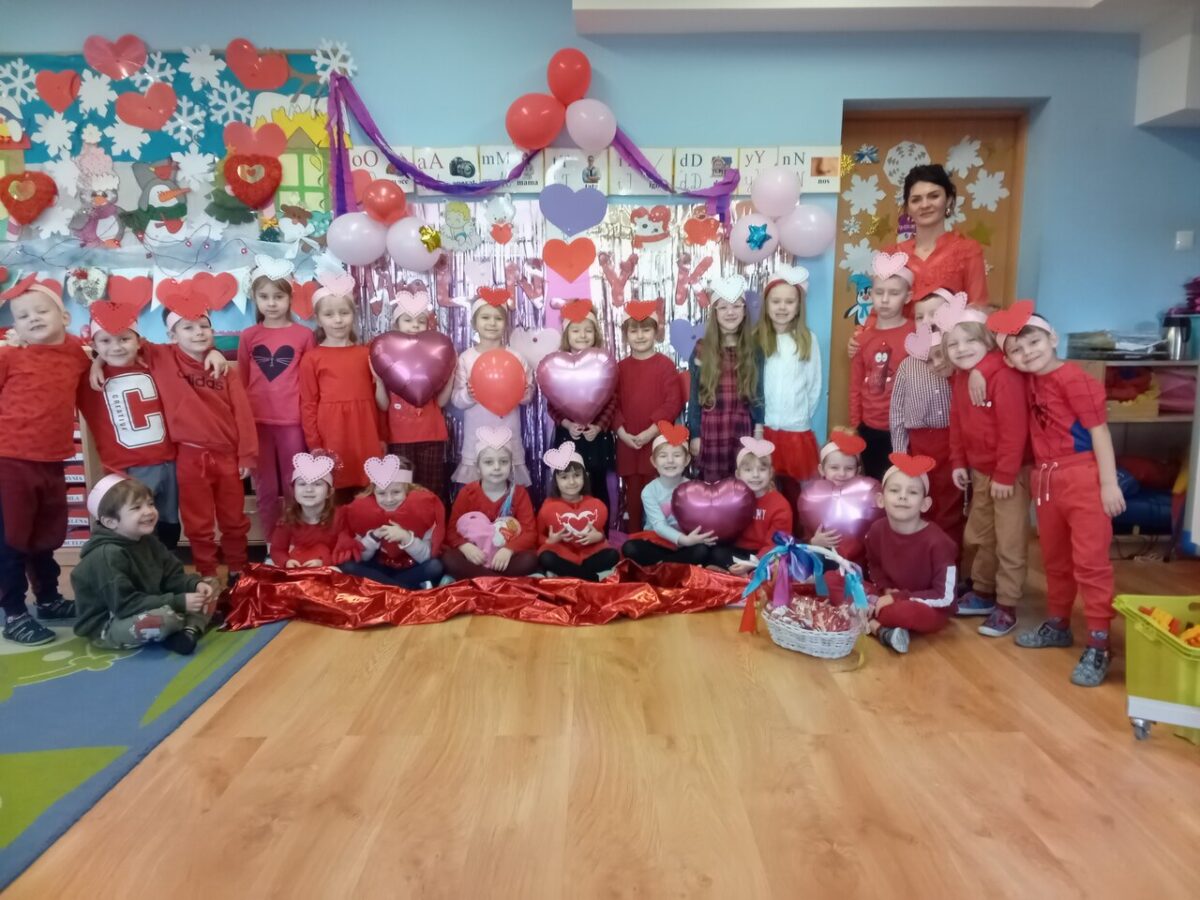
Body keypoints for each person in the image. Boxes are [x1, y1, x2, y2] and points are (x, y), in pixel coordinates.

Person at [994, 303, 1125, 687]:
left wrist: (1108, 483)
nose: (1027, 353)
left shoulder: (1075, 379)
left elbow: (1099, 431)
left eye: (1033, 342)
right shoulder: (1027, 381)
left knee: (1090, 562)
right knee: (1055, 559)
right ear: (1010, 360)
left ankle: (1099, 642)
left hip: (1082, 478)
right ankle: (1058, 623)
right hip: (1047, 481)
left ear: (1052, 338)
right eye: (1017, 350)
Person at [133, 309, 257, 585]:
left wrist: (247, 455)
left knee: (233, 518)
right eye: (188, 328)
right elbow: (125, 341)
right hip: (189, 456)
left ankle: (238, 568)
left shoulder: (224, 370)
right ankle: (207, 572)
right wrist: (96, 361)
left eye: (203, 326)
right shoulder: (162, 357)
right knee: (197, 521)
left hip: (226, 455)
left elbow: (243, 414)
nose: (198, 332)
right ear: (172, 335)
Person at [0, 280, 92, 645]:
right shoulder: (9, 355)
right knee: (11, 539)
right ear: (14, 327)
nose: (33, 319)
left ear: (65, 317)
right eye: (23, 316)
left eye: (41, 311)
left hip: (53, 459)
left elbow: (104, 356)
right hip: (10, 461)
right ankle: (13, 612)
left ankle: (49, 598)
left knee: (46, 535)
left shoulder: (75, 353)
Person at [941, 300, 1030, 638]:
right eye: (953, 343)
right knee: (980, 534)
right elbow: (957, 424)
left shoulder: (1003, 377)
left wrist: (1005, 475)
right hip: (980, 472)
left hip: (1009, 475)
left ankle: (1007, 604)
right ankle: (983, 590)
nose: (961, 349)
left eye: (970, 340)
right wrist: (958, 461)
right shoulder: (962, 378)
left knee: (1009, 540)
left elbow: (1014, 430)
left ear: (988, 342)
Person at [72, 474, 217, 655]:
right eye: (136, 507)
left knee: (210, 585)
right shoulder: (106, 555)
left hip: (151, 603)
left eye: (150, 504)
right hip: (111, 622)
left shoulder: (148, 541)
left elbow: (172, 576)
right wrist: (178, 602)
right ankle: (188, 624)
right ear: (111, 522)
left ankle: (188, 631)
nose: (149, 511)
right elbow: (125, 605)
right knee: (164, 620)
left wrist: (193, 585)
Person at [76, 308, 181, 549]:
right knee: (132, 529)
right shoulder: (89, 379)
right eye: (106, 341)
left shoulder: (153, 364)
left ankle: (166, 565)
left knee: (168, 524)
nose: (116, 347)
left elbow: (180, 348)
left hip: (168, 461)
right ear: (94, 344)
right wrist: (97, 361)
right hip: (126, 467)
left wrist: (215, 351)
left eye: (124, 339)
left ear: (138, 341)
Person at [840, 453, 958, 654]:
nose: (903, 496)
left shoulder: (938, 542)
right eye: (895, 490)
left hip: (920, 604)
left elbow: (946, 597)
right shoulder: (876, 530)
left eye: (912, 492)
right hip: (886, 595)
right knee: (835, 579)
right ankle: (880, 628)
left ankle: (866, 619)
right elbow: (874, 564)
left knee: (902, 613)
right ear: (880, 499)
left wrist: (899, 598)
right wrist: (885, 589)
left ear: (925, 504)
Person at [238, 266, 315, 540]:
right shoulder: (249, 336)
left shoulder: (304, 335)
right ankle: (273, 543)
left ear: (289, 298)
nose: (271, 303)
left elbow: (310, 381)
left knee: (296, 483)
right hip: (257, 424)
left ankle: (298, 540)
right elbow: (242, 380)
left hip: (292, 422)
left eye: (278, 296)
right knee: (266, 488)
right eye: (264, 296)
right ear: (255, 298)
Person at [888, 289, 964, 550]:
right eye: (920, 316)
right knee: (920, 499)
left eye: (935, 314)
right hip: (918, 444)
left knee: (951, 503)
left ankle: (948, 559)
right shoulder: (908, 366)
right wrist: (900, 453)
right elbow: (897, 413)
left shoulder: (960, 362)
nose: (927, 320)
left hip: (952, 443)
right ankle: (919, 556)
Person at [299, 275, 383, 499]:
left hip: (365, 431)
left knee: (368, 488)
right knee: (336, 489)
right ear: (318, 319)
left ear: (353, 315)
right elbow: (308, 404)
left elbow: (379, 399)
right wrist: (314, 444)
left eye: (344, 313)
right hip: (332, 432)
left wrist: (382, 436)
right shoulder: (312, 359)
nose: (338, 320)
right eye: (329, 314)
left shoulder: (366, 354)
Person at [613, 300, 684, 533]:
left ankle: (660, 539)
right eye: (634, 331)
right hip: (628, 443)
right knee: (633, 499)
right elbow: (612, 404)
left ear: (656, 332)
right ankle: (634, 540)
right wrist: (622, 433)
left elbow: (672, 403)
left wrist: (652, 432)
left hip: (657, 443)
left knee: (660, 499)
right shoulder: (619, 368)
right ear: (626, 335)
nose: (640, 336)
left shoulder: (665, 366)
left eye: (646, 329)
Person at [756, 268, 822, 510]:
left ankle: (798, 530)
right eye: (776, 301)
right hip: (765, 428)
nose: (782, 307)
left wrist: (800, 414)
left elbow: (814, 384)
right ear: (766, 305)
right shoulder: (757, 338)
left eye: (789, 302)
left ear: (798, 306)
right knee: (766, 487)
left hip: (796, 430)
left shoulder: (808, 339)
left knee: (799, 491)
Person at [452, 295, 534, 486]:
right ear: (474, 323)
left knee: (508, 490)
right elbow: (456, 399)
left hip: (508, 434)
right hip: (476, 436)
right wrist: (468, 395)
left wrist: (524, 394)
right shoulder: (466, 358)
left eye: (498, 318)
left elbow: (528, 395)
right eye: (485, 317)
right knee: (478, 492)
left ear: (505, 323)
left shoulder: (516, 357)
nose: (492, 323)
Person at [546, 300, 616, 518]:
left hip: (597, 437)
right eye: (576, 330)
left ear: (596, 333)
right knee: (569, 484)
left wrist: (599, 426)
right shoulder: (557, 363)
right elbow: (552, 403)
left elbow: (612, 400)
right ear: (567, 334)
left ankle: (600, 530)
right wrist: (567, 424)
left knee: (597, 483)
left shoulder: (604, 361)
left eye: (588, 330)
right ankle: (567, 525)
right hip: (569, 435)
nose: (583, 335)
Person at [850, 252, 916, 479]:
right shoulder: (862, 339)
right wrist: (854, 425)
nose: (885, 300)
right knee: (874, 482)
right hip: (869, 427)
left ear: (908, 297)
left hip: (906, 427)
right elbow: (855, 385)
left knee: (902, 481)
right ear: (871, 295)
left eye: (894, 293)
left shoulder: (915, 332)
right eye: (879, 292)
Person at [443, 426, 539, 578]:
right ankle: (496, 580)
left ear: (511, 466)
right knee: (449, 559)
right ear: (478, 467)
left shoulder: (519, 493)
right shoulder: (467, 493)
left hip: (505, 559)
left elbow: (530, 532)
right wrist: (465, 546)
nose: (497, 467)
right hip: (476, 557)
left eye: (503, 462)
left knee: (530, 559)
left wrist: (509, 549)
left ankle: (483, 579)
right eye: (488, 462)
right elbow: (452, 531)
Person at [885, 163, 988, 304]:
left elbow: (978, 308)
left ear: (948, 201)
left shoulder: (968, 251)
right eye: (916, 200)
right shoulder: (894, 255)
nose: (925, 205)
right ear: (907, 208)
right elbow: (879, 310)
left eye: (933, 196)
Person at [688, 291, 764, 482]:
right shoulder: (701, 350)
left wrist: (758, 430)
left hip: (742, 428)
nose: (730, 312)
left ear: (745, 311)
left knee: (741, 483)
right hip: (711, 430)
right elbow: (695, 397)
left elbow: (758, 393)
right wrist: (695, 434)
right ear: (714, 312)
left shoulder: (754, 349)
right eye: (723, 307)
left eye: (736, 306)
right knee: (712, 484)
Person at [384, 292, 452, 502]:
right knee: (402, 488)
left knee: (431, 488)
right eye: (407, 320)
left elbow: (441, 402)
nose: (414, 325)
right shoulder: (386, 355)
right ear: (396, 324)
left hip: (431, 434)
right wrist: (378, 380)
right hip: (399, 435)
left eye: (420, 321)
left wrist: (450, 374)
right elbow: (383, 404)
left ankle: (431, 520)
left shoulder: (435, 355)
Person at [340, 454, 445, 589]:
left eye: (396, 492)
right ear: (373, 493)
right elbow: (363, 557)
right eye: (382, 493)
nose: (389, 500)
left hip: (410, 568)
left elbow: (426, 557)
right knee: (348, 566)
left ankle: (388, 586)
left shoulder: (422, 510)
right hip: (379, 568)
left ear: (407, 491)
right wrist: (373, 537)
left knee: (435, 566)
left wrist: (406, 537)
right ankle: (404, 588)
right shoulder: (364, 513)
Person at [621, 422, 717, 567]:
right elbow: (659, 526)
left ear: (687, 460)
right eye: (663, 456)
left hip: (685, 543)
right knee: (630, 548)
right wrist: (685, 540)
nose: (670, 461)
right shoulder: (649, 491)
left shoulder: (694, 488)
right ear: (654, 461)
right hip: (657, 541)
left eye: (677, 455)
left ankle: (664, 565)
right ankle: (673, 565)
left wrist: (692, 539)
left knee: (703, 550)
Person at [537, 441, 619, 581]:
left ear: (584, 476)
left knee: (613, 555)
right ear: (555, 480)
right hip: (562, 552)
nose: (571, 482)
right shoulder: (548, 506)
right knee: (546, 558)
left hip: (589, 553)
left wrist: (598, 537)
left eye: (576, 475)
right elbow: (539, 536)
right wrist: (551, 540)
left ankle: (571, 572)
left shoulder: (594, 504)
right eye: (564, 477)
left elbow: (600, 532)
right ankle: (588, 576)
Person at [709, 436, 793, 574]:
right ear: (738, 474)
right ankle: (735, 573)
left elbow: (777, 543)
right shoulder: (731, 499)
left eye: (762, 469)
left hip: (765, 555)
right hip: (737, 551)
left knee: (776, 564)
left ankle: (745, 574)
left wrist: (753, 563)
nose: (755, 475)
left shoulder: (780, 505)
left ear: (771, 473)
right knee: (713, 552)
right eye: (748, 470)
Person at [803, 429, 879, 569]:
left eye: (849, 468)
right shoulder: (812, 498)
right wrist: (814, 542)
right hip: (824, 564)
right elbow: (803, 537)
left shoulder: (867, 496)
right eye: (834, 468)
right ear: (822, 470)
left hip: (860, 565)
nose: (842, 473)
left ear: (857, 470)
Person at [269, 452, 349, 568]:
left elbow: (345, 551)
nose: (309, 489)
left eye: (317, 484)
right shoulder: (288, 519)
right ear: (293, 491)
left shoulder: (340, 518)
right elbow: (277, 549)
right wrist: (286, 562)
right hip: (300, 568)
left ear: (329, 492)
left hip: (330, 569)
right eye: (302, 484)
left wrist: (324, 562)